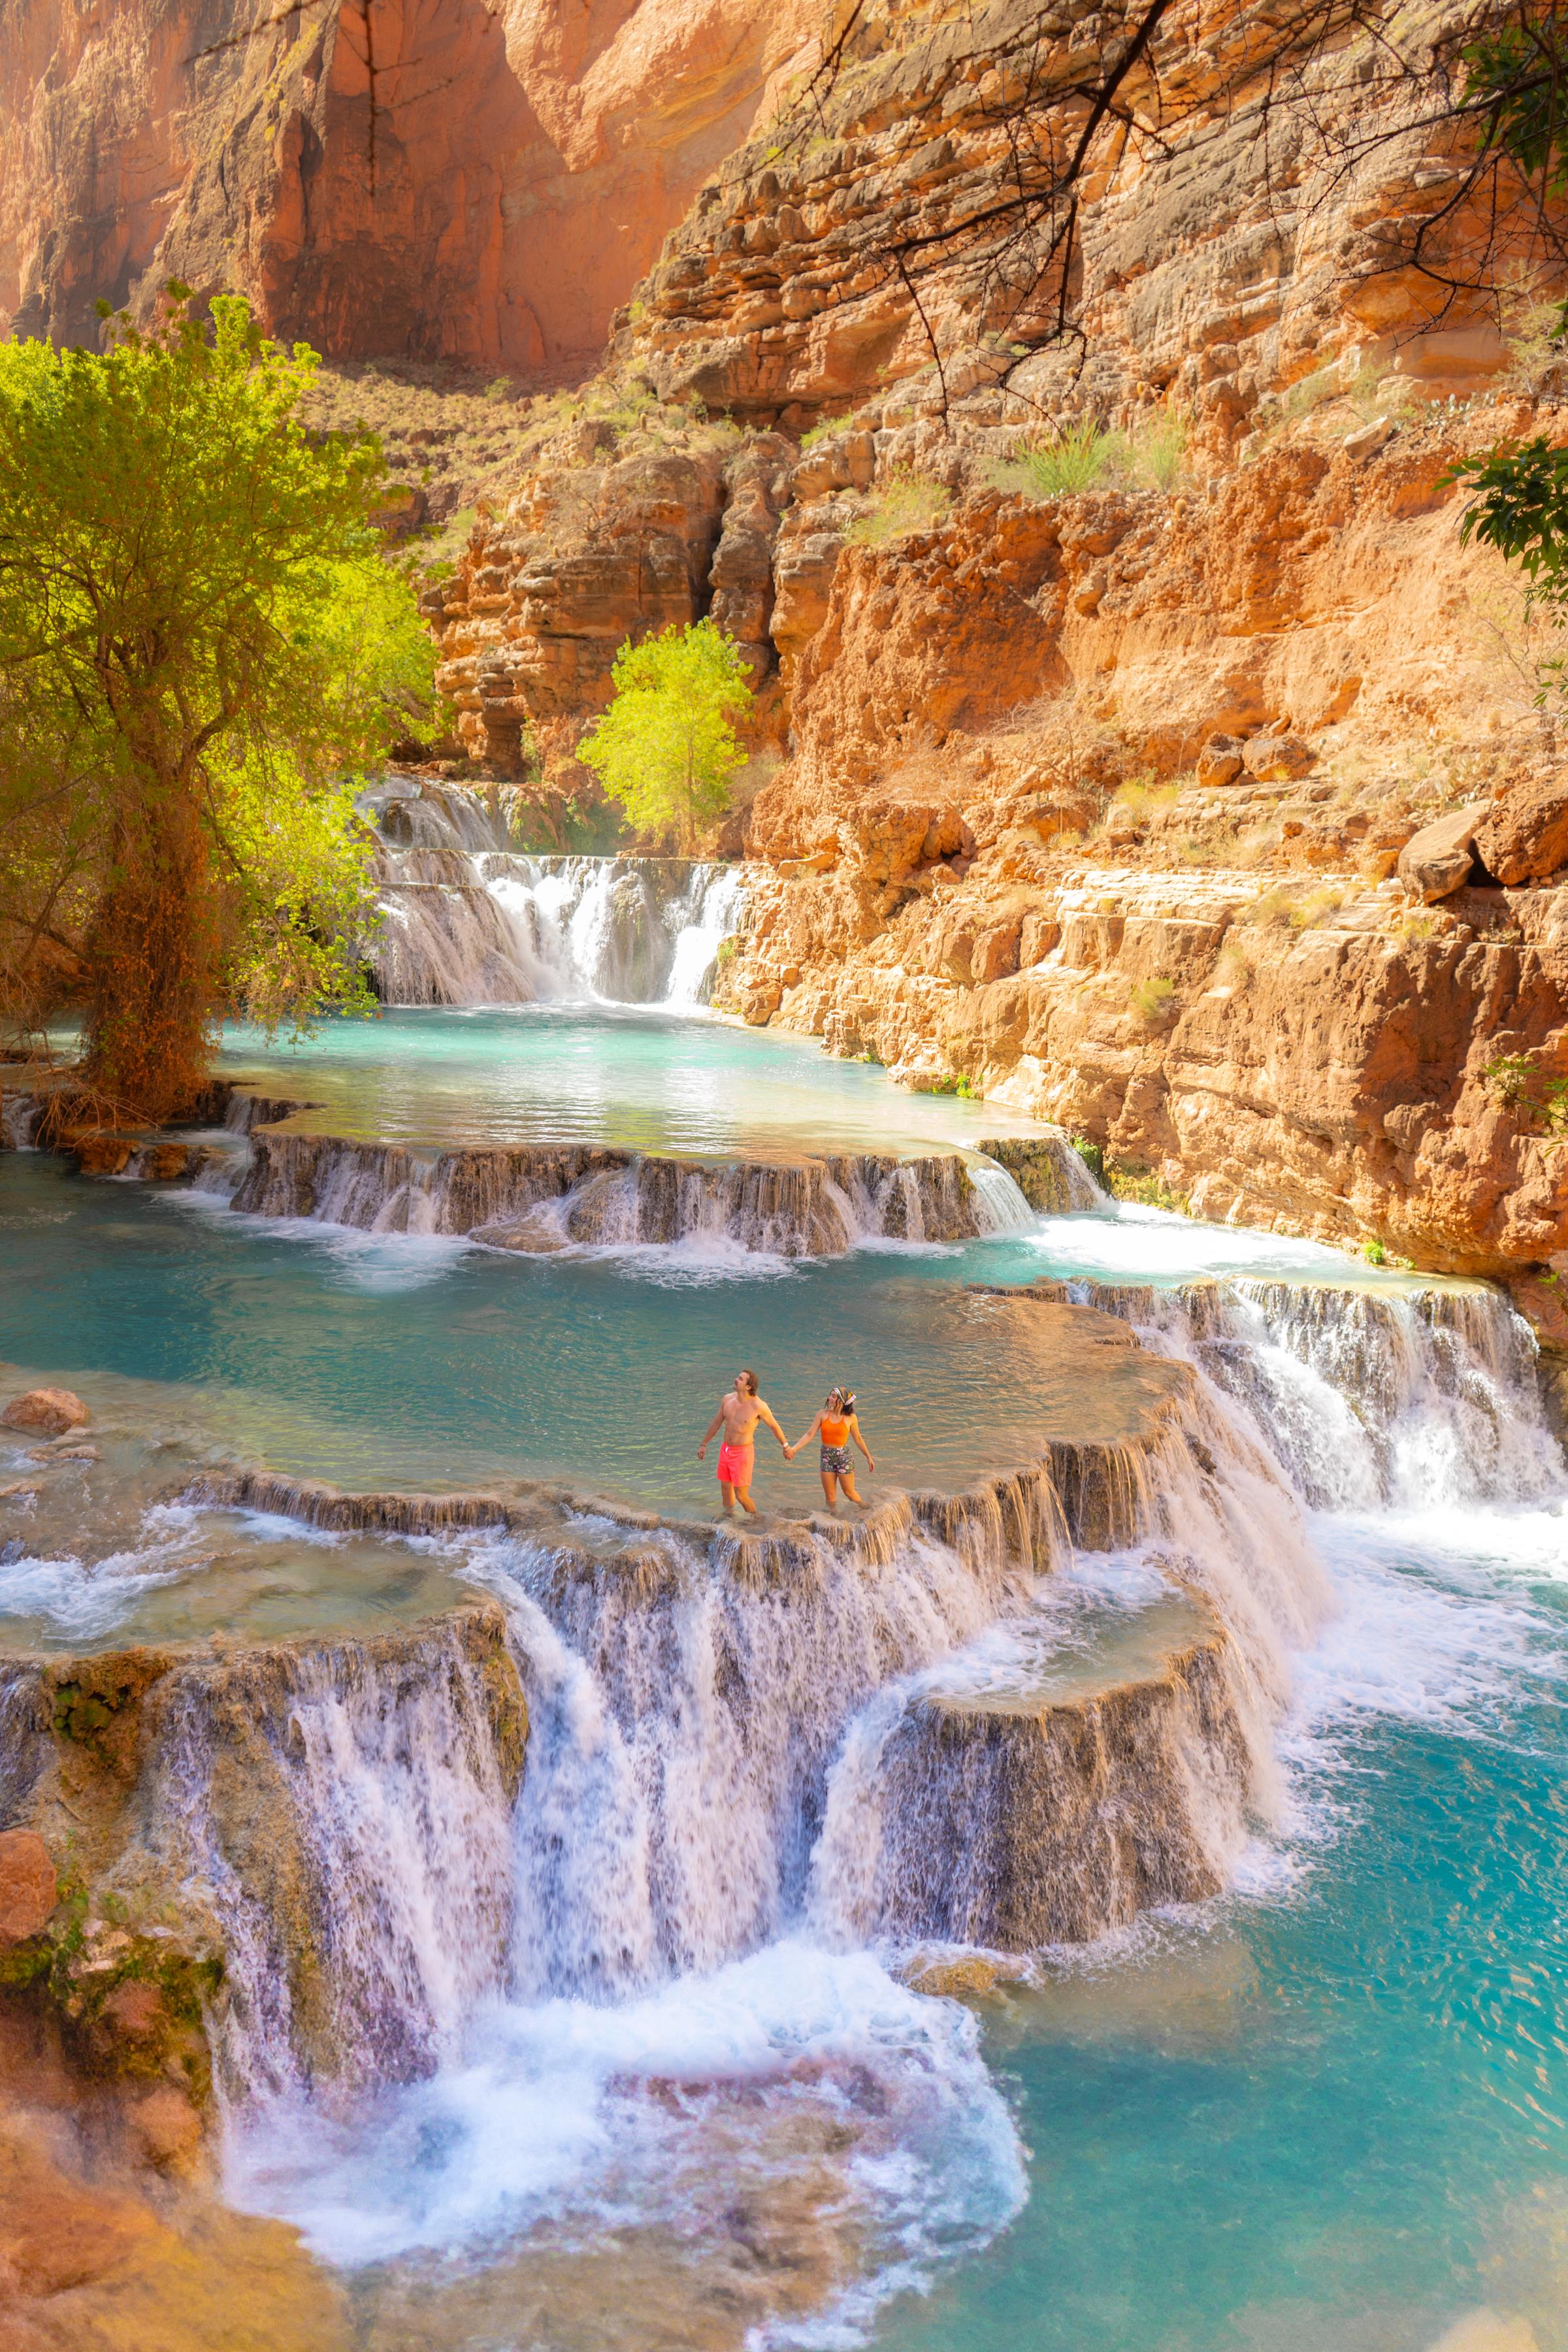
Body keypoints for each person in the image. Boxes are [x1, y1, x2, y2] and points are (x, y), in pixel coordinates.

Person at [697, 1369, 789, 1516]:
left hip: (743, 1453)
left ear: (748, 1386)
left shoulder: (758, 1406)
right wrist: (704, 1444)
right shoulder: (727, 1399)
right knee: (726, 1490)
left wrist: (786, 1447)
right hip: (726, 1450)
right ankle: (729, 1518)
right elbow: (716, 1423)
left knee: (741, 1495)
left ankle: (756, 1519)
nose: (735, 1380)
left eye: (740, 1379)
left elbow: (774, 1426)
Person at [785, 1386, 874, 1511]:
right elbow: (809, 1434)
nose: (829, 1398)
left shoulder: (851, 1418)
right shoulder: (822, 1414)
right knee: (830, 1497)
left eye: (834, 1396)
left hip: (844, 1458)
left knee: (849, 1493)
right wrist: (794, 1449)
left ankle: (869, 1510)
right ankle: (832, 1523)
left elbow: (858, 1438)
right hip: (826, 1457)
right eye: (830, 1395)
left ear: (842, 1401)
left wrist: (868, 1457)